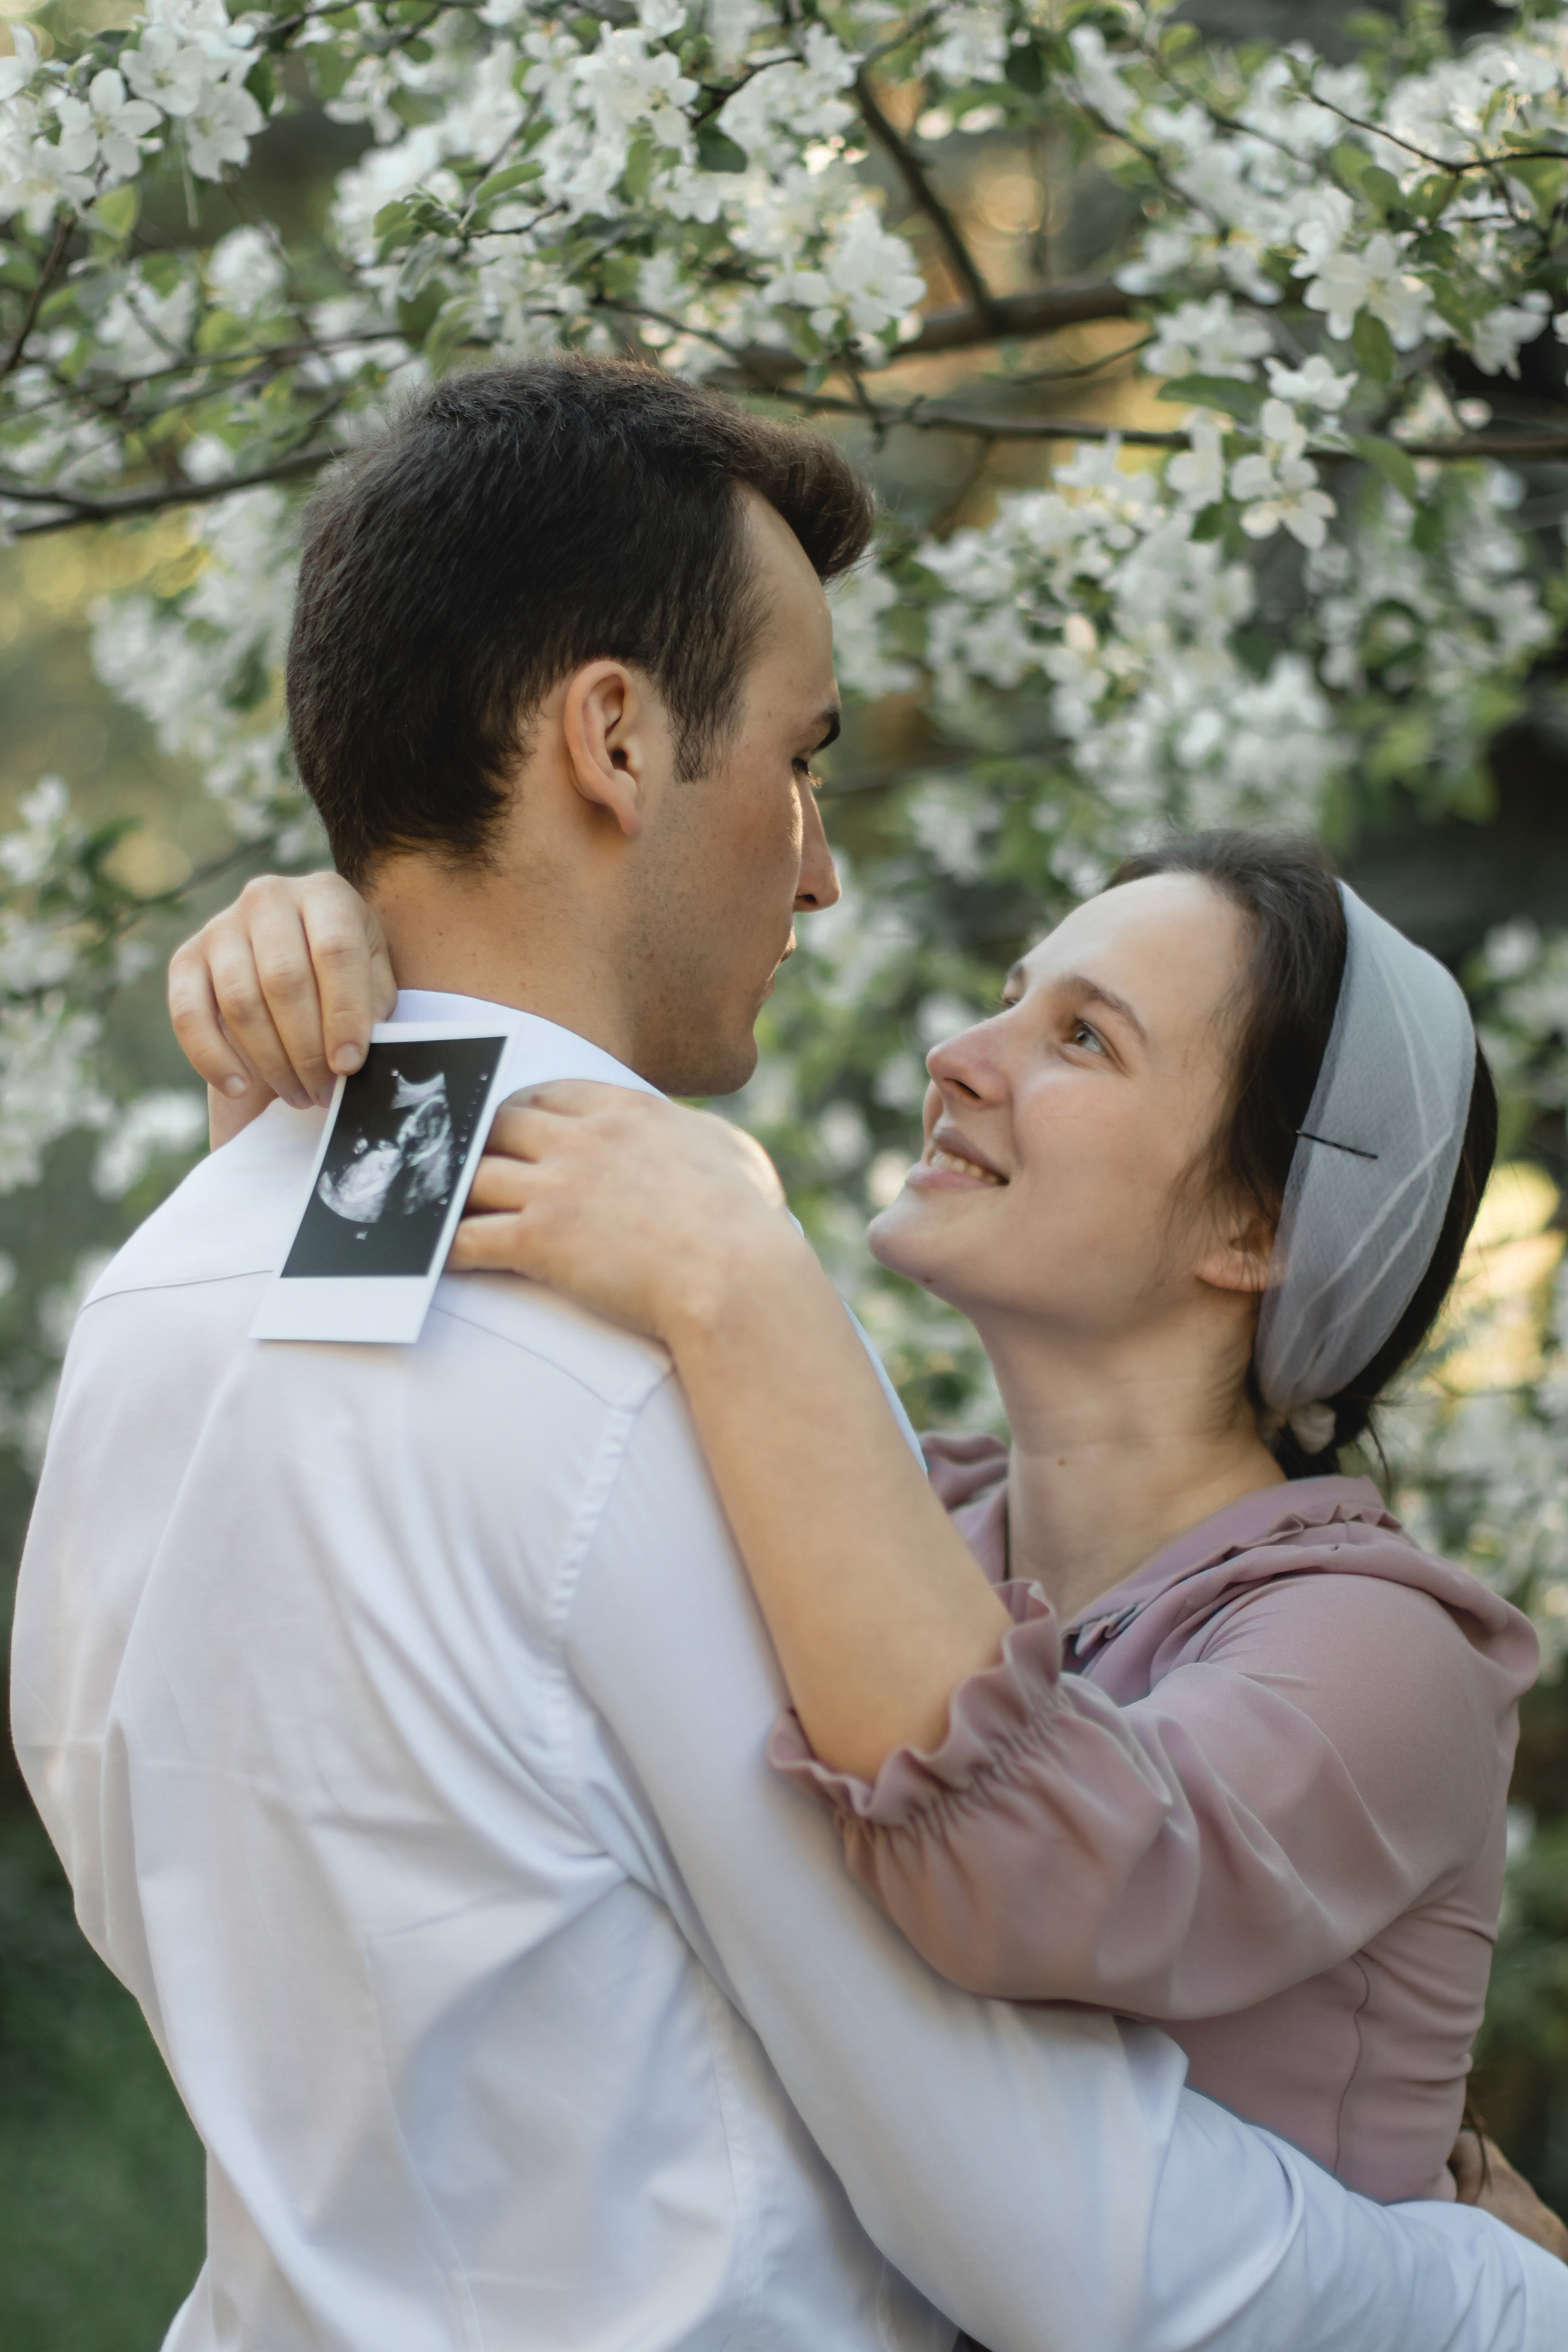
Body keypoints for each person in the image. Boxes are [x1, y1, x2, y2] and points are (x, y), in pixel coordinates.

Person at [21, 360, 1568, 2352]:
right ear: (611, 739)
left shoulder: (163, 1297)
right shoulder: (671, 1343)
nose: (821, 866)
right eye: (800, 755)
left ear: (1262, 1224)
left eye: (1085, 1038)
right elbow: (1056, 2229)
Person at [177, 828, 1542, 2215]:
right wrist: (325, 1016)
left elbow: (1029, 1882)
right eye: (1013, 995)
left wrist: (744, 1275)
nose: (961, 1051)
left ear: (1257, 1227)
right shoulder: (898, 1516)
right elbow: (423, 1496)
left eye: (1081, 1039)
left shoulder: (1389, 1653)